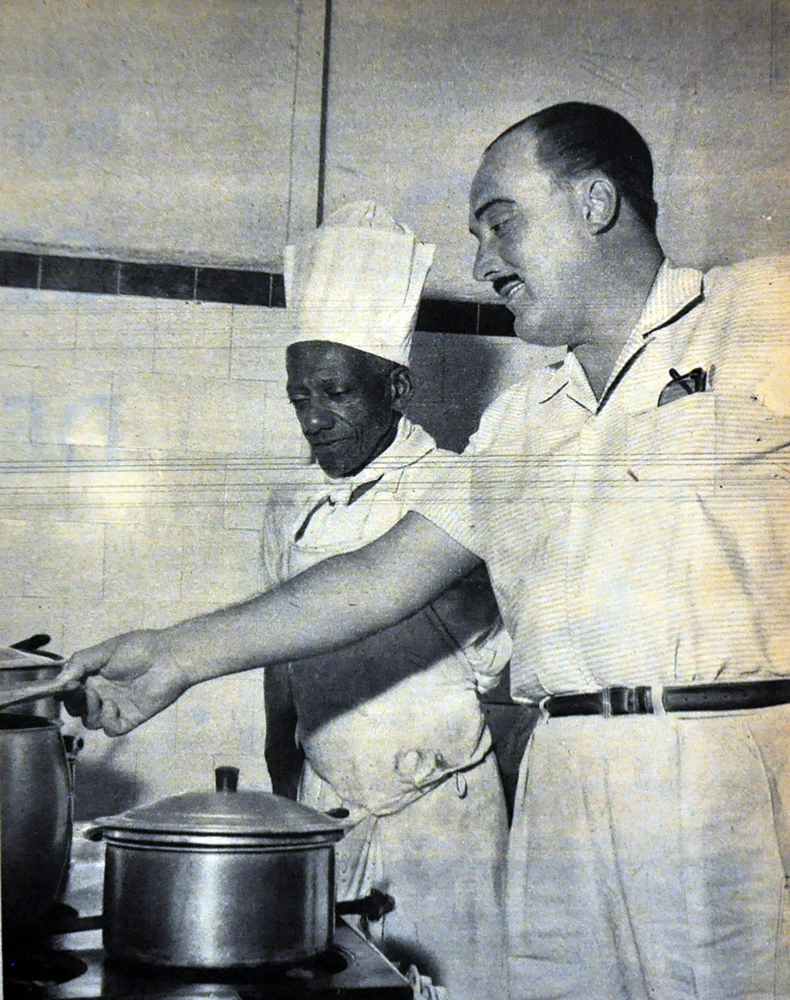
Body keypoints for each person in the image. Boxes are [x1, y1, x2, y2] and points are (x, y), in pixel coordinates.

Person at [64, 103, 790, 1000]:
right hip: (564, 789)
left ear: (596, 201)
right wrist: (172, 654)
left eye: (501, 222)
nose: (485, 263)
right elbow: (372, 578)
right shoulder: (519, 424)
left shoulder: (757, 316)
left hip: (725, 763)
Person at [261, 201, 511, 1000]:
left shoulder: (452, 492)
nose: (314, 418)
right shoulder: (287, 502)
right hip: (328, 814)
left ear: (396, 385)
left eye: (334, 393)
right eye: (300, 396)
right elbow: (277, 655)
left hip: (445, 820)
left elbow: (509, 688)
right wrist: (283, 801)